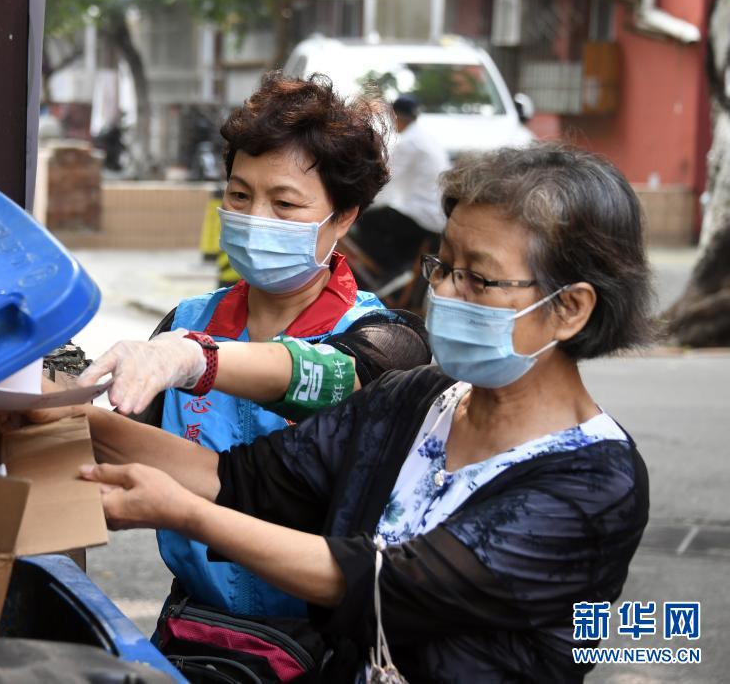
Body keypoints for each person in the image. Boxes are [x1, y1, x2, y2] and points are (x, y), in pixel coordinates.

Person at [79, 143, 654, 681]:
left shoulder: (595, 483)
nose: (445, 294)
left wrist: (186, 512)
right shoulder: (416, 400)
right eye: (443, 267)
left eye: (478, 279)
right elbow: (243, 479)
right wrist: (73, 420)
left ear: (570, 307)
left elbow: (384, 580)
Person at [70, 73, 432, 625]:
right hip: (195, 630)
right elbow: (120, 448)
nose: (255, 218)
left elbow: (336, 373)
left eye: (284, 203)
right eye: (239, 195)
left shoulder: (386, 340)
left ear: (344, 217)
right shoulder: (186, 322)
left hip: (324, 644)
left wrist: (197, 359)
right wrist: (54, 408)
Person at [350, 94, 451, 282]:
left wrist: (359, 203)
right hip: (434, 214)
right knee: (383, 218)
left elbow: (385, 180)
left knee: (367, 220)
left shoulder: (409, 143)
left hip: (423, 215)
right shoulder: (423, 137)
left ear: (395, 116)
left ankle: (389, 273)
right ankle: (397, 270)